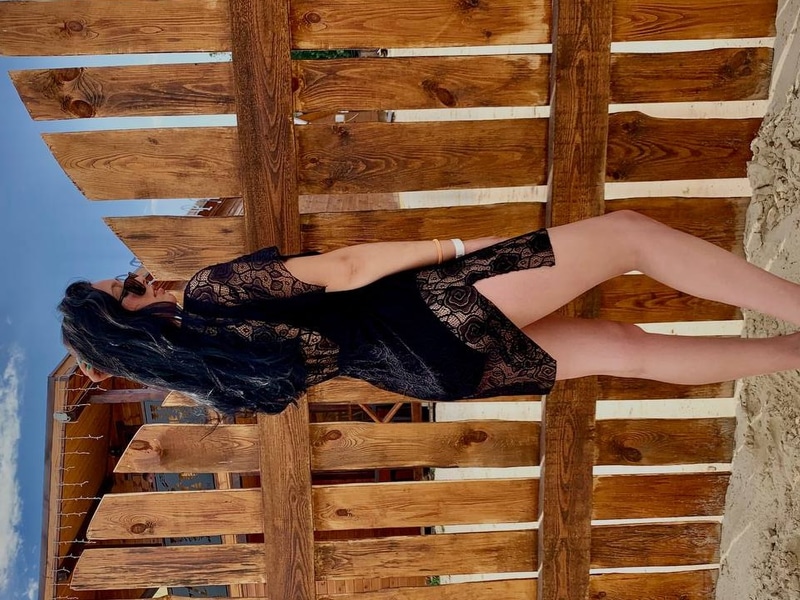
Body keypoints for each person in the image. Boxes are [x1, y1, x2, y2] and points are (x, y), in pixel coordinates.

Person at [59, 210, 800, 415]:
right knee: (629, 235)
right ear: (129, 318)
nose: (142, 275)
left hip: (423, 375)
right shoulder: (207, 292)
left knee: (620, 346)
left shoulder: (219, 383)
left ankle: (792, 353)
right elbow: (347, 269)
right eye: (128, 285)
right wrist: (457, 246)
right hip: (428, 310)